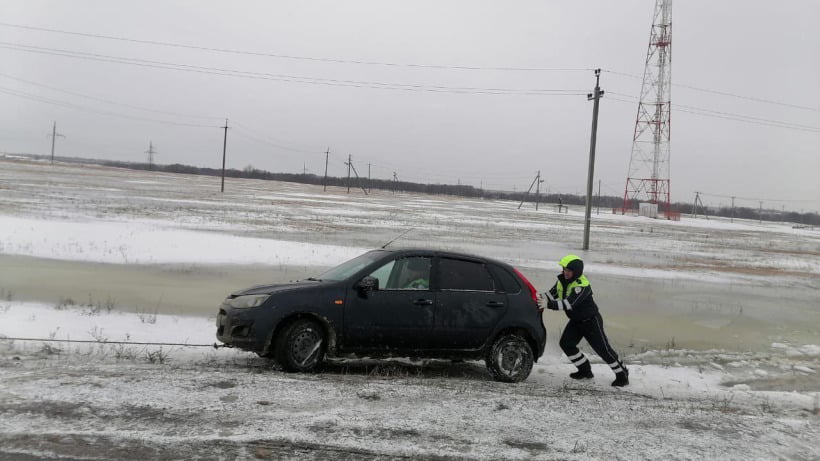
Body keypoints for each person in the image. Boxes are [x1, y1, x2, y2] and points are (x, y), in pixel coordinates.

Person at [542, 254, 629, 387]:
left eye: (569, 270)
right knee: (566, 344)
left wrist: (548, 305)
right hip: (576, 321)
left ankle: (622, 374)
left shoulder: (582, 286)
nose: (565, 272)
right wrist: (535, 297)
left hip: (591, 322)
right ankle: (585, 370)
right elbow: (549, 295)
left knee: (603, 350)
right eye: (564, 269)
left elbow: (569, 303)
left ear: (576, 272)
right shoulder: (562, 281)